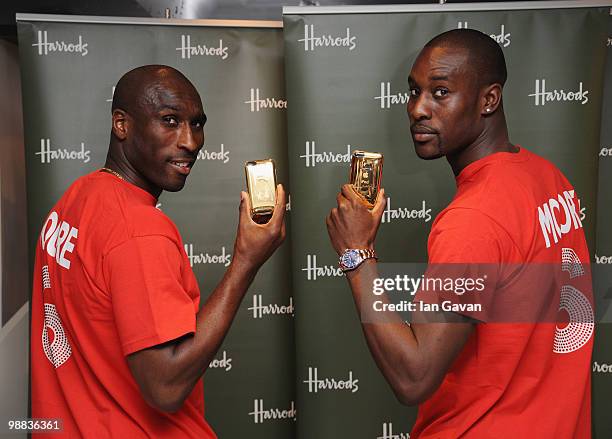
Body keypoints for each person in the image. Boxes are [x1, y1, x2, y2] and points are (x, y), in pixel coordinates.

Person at [326, 29, 593, 438]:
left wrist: (356, 252)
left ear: (489, 100)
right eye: (414, 91)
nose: (418, 109)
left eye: (440, 92)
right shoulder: (549, 177)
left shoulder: (472, 219)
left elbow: (415, 377)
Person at [31, 65, 286, 438]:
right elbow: (164, 387)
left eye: (196, 123)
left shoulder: (77, 196)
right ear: (122, 124)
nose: (191, 141)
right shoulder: (140, 231)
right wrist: (245, 262)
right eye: (170, 121)